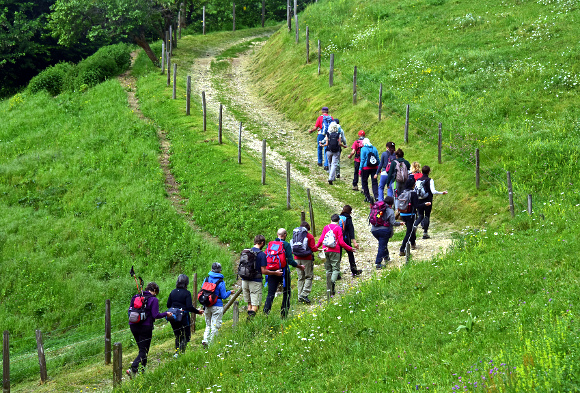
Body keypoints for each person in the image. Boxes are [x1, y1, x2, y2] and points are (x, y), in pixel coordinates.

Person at [127, 282, 172, 379]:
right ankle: (133, 369)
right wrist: (166, 313)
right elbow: (155, 315)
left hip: (133, 326)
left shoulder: (136, 297)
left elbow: (129, 311)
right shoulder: (153, 299)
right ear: (155, 291)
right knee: (144, 350)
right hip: (145, 327)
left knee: (142, 350)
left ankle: (142, 372)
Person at [263, 229, 305, 318]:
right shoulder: (286, 245)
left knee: (271, 293)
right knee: (287, 292)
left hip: (272, 272)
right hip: (283, 272)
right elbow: (290, 261)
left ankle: (265, 313)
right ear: (285, 235)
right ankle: (284, 314)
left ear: (277, 234)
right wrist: (299, 266)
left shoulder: (270, 244)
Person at [241, 235, 282, 319]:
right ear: (262, 243)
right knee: (255, 305)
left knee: (249, 303)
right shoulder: (261, 254)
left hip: (244, 280)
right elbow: (263, 271)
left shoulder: (246, 252)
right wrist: (275, 273)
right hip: (255, 282)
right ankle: (250, 322)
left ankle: (248, 323)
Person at [315, 214, 355, 296]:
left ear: (331, 220)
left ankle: (328, 288)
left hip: (325, 250)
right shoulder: (339, 228)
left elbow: (321, 239)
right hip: (335, 251)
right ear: (338, 221)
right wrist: (349, 248)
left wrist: (315, 247)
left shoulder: (326, 227)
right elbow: (341, 242)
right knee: (336, 269)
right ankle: (332, 283)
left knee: (328, 269)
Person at [166, 274, 204, 357]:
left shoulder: (173, 292)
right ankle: (181, 353)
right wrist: (197, 311)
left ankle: (177, 352)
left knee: (177, 335)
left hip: (173, 317)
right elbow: (189, 307)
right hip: (183, 316)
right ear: (186, 283)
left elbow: (168, 305)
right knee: (186, 336)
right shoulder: (187, 293)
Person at [397, 178, 431, 256]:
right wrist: (425, 204)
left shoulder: (403, 192)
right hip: (410, 214)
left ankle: (413, 243)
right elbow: (417, 206)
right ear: (413, 185)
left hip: (402, 214)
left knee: (411, 228)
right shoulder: (413, 193)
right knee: (409, 232)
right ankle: (402, 249)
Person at [201, 263, 232, 347]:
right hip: (217, 306)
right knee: (215, 325)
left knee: (208, 325)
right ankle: (211, 344)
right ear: (220, 271)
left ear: (211, 270)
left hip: (207, 305)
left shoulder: (206, 279)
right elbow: (224, 296)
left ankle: (205, 340)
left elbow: (202, 290)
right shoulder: (221, 281)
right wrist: (230, 292)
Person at [414, 165, 448, 239]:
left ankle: (415, 225)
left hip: (419, 199)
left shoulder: (418, 180)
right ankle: (425, 233)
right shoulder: (430, 180)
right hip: (428, 199)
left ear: (422, 171)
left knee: (420, 215)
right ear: (429, 172)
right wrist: (442, 193)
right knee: (427, 215)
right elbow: (433, 191)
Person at [370, 196, 403, 269]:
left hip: (374, 230)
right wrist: (400, 223)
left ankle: (386, 257)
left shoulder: (378, 208)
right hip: (384, 231)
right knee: (382, 246)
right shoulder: (390, 210)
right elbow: (393, 222)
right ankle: (378, 263)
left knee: (383, 243)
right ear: (391, 203)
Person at [293, 222, 319, 304]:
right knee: (308, 276)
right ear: (307, 229)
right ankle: (304, 294)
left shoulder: (296, 235)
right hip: (307, 259)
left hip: (297, 258)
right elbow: (313, 248)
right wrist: (319, 249)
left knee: (300, 277)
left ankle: (299, 296)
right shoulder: (310, 236)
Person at [338, 205, 362, 277]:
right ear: (350, 212)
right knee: (350, 254)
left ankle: (337, 273)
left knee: (338, 256)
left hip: (338, 239)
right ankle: (354, 270)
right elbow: (351, 231)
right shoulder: (348, 218)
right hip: (345, 239)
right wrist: (354, 242)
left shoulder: (338, 218)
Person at [358, 138, 380, 203]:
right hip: (374, 167)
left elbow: (362, 160)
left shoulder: (363, 149)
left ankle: (368, 197)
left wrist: (360, 169)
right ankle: (376, 196)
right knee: (374, 182)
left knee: (364, 182)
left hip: (365, 168)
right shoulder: (374, 148)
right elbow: (378, 158)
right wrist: (379, 167)